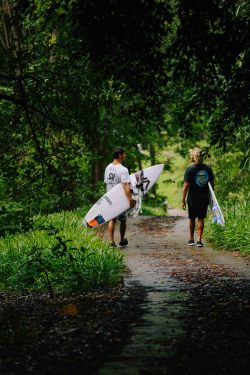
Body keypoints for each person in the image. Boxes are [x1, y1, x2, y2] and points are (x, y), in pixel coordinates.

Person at [182, 147, 214, 247]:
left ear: (193, 157)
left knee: (192, 218)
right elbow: (212, 185)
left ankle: (191, 239)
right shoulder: (207, 169)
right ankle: (199, 240)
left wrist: (183, 200)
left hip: (192, 197)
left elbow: (186, 186)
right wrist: (211, 198)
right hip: (204, 197)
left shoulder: (189, 169)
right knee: (201, 218)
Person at [104, 147, 135, 248]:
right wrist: (130, 199)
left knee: (112, 219)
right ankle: (121, 240)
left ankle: (111, 242)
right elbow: (125, 185)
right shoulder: (123, 169)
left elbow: (107, 183)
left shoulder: (108, 167)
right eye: (124, 154)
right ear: (120, 155)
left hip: (110, 198)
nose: (125, 156)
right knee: (123, 220)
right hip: (120, 199)